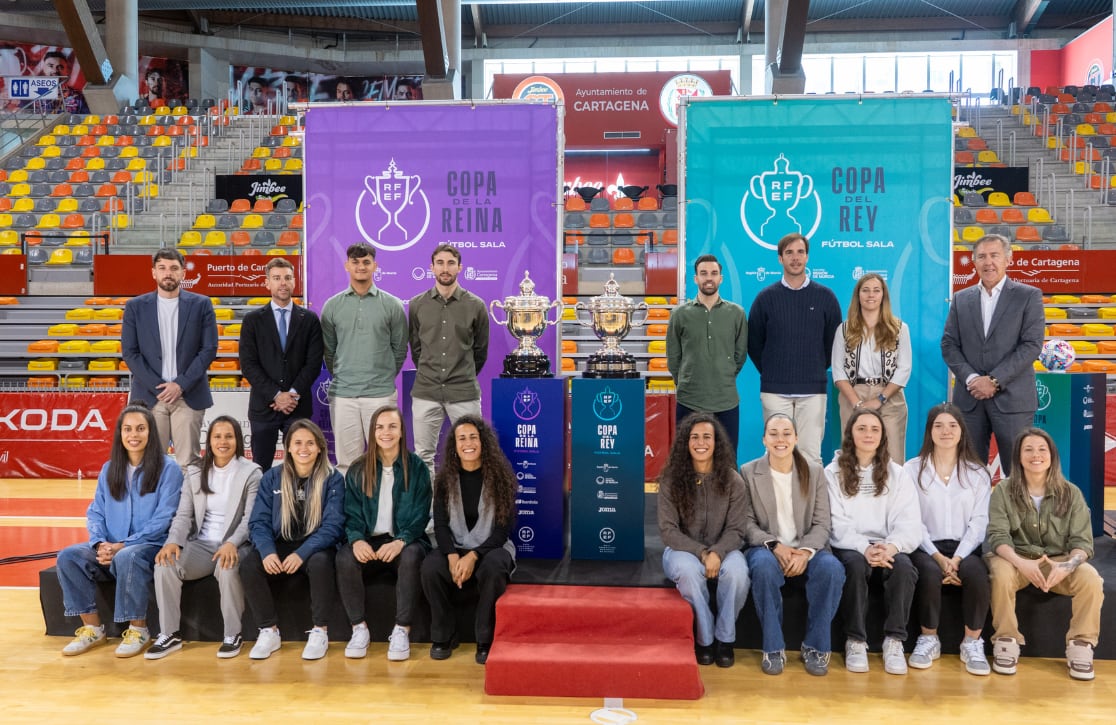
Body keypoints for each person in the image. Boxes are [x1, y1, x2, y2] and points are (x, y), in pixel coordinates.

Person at [55, 403, 183, 657]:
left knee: (129, 555)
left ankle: (139, 629)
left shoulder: (169, 469)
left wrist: (123, 545)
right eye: (127, 429)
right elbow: (96, 511)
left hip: (149, 546)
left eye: (140, 429)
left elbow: (165, 517)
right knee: (68, 556)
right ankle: (92, 629)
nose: (133, 435)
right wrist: (99, 543)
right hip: (111, 546)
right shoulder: (109, 468)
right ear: (120, 434)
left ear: (151, 433)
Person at [985, 427, 1103, 681]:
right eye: (1028, 449)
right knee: (1000, 572)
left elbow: (1083, 543)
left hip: (1058, 561)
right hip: (1016, 559)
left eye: (1042, 449)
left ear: (1052, 455)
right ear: (1018, 456)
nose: (1035, 455)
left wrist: (1067, 566)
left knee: (1091, 578)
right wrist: (1021, 563)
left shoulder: (1071, 493)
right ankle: (1006, 638)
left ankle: (1081, 644)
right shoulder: (1003, 491)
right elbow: (998, 537)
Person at [148, 416, 262, 660]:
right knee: (165, 564)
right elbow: (183, 514)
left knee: (228, 566)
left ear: (238, 440)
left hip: (235, 543)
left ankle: (233, 634)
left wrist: (232, 543)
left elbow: (250, 520)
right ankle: (169, 634)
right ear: (208, 441)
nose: (223, 441)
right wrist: (173, 542)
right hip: (201, 544)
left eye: (229, 436)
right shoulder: (195, 471)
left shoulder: (251, 472)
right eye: (217, 436)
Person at [740, 413, 845, 676]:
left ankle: (815, 645)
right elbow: (747, 523)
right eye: (773, 433)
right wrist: (775, 546)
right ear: (764, 439)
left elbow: (822, 524)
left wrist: (805, 552)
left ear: (796, 438)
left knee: (832, 569)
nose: (780, 439)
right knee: (762, 568)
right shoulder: (748, 472)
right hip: (767, 549)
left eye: (786, 433)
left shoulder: (814, 472)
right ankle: (773, 647)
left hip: (806, 548)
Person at [826, 408, 921, 675]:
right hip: (852, 545)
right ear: (850, 433)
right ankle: (855, 640)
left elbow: (910, 521)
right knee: (854, 567)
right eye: (862, 428)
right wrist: (864, 548)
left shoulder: (899, 474)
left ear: (882, 436)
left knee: (903, 567)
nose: (868, 434)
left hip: (888, 543)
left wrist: (891, 546)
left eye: (874, 429)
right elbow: (837, 523)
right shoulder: (832, 472)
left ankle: (894, 640)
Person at [240, 420, 345, 660]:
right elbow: (258, 522)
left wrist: (302, 553)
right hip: (281, 542)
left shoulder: (333, 478)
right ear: (287, 447)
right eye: (297, 443)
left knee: (320, 563)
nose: (303, 448)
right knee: (248, 564)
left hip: (315, 545)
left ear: (320, 447)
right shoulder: (272, 477)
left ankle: (320, 631)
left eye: (310, 443)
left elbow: (333, 527)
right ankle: (269, 631)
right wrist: (267, 552)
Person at [941, 234, 1044, 474]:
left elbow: (1031, 345)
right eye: (982, 257)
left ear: (1008, 259)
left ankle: (1018, 514)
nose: (988, 262)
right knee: (968, 472)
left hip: (1013, 401)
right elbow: (949, 344)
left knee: (1019, 472)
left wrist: (994, 380)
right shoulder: (960, 299)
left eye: (994, 255)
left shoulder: (1028, 295)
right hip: (970, 400)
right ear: (974, 262)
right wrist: (972, 379)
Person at [336, 406, 432, 660]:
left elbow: (421, 515)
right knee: (344, 557)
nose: (385, 432)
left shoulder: (417, 467)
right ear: (372, 432)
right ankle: (359, 629)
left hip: (405, 540)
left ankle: (402, 629)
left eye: (392, 426)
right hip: (369, 540)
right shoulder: (358, 468)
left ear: (401, 432)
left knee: (412, 556)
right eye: (379, 427)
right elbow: (352, 513)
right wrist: (356, 540)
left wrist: (401, 541)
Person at [903, 403, 992, 675]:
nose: (946, 431)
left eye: (952, 426)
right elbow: (910, 519)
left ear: (962, 431)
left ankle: (972, 642)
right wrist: (938, 557)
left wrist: (957, 558)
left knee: (977, 575)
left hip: (965, 548)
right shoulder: (911, 469)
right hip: (926, 547)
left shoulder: (977, 472)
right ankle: (929, 638)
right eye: (938, 426)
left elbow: (980, 522)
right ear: (929, 432)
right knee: (928, 574)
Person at [420, 416, 516, 665]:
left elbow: (501, 531)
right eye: (462, 438)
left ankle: (485, 639)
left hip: (491, 547)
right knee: (430, 567)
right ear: (454, 445)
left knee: (494, 567)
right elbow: (440, 525)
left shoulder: (501, 478)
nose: (468, 443)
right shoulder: (444, 480)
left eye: (473, 437)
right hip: (455, 546)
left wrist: (473, 556)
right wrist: (452, 556)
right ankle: (444, 635)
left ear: (483, 442)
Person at [658, 413, 750, 669]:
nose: (701, 442)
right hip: (682, 549)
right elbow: (668, 531)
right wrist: (702, 553)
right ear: (685, 443)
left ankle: (725, 639)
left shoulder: (734, 481)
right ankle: (705, 639)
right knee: (688, 572)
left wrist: (718, 552)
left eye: (707, 437)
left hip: (725, 548)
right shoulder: (671, 480)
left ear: (716, 442)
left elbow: (736, 530)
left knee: (738, 572)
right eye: (694, 437)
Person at [747, 233, 842, 466]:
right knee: (776, 456)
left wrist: (814, 366)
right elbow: (754, 343)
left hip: (813, 391)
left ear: (807, 256)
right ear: (780, 258)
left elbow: (834, 345)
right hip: (774, 391)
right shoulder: (765, 298)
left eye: (800, 252)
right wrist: (773, 369)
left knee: (810, 457)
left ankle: (810, 505)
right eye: (789, 253)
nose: (795, 258)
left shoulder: (826, 298)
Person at [121, 248, 218, 469]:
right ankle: (154, 505)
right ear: (153, 272)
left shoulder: (201, 304)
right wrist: (161, 388)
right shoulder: (135, 307)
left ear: (183, 273)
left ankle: (188, 505)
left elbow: (209, 349)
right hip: (150, 397)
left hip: (189, 395)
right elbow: (130, 352)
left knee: (189, 463)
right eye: (162, 268)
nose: (168, 273)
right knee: (149, 462)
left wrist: (180, 384)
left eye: (174, 268)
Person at [321, 242, 407, 472]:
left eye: (366, 262)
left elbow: (399, 350)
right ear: (346, 265)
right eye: (356, 262)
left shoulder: (393, 305)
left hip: (380, 394)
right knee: (347, 465)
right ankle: (350, 509)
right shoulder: (332, 306)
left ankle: (385, 509)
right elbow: (329, 351)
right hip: (344, 395)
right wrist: (346, 374)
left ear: (375, 266)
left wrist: (382, 375)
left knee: (387, 461)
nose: (361, 267)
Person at [408, 243, 489, 476]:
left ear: (460, 268)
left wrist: (462, 373)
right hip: (426, 390)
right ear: (431, 267)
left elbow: (480, 351)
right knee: (423, 456)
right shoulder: (417, 305)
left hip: (463, 391)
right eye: (440, 263)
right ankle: (430, 512)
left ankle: (467, 511)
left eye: (451, 263)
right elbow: (416, 348)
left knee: (472, 453)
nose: (445, 268)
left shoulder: (476, 305)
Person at [239, 257, 324, 472]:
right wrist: (277, 395)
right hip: (264, 407)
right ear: (267, 283)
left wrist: (292, 394)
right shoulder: (253, 320)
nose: (283, 283)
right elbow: (248, 364)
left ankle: (299, 505)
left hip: (298, 408)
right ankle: (263, 506)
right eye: (277, 278)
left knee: (300, 467)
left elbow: (313, 363)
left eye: (287, 278)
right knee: (260, 469)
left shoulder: (310, 319)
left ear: (295, 282)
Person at [666, 254, 748, 452]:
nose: (708, 278)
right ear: (695, 278)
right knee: (686, 461)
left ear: (721, 278)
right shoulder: (680, 314)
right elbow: (674, 358)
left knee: (727, 461)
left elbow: (740, 355)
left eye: (713, 273)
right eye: (703, 273)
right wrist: (687, 379)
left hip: (725, 400)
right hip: (689, 400)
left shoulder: (736, 313)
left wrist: (722, 374)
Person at [832, 272, 912, 462]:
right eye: (865, 290)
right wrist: (856, 403)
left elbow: (904, 369)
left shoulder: (899, 328)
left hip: (890, 395)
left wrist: (880, 398)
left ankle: (892, 492)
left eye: (876, 290)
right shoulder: (844, 329)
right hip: (853, 393)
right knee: (853, 457)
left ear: (883, 295)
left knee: (893, 457)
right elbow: (838, 371)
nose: (871, 295)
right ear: (858, 295)